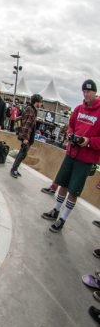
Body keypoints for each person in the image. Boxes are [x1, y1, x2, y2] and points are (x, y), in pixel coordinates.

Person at [41, 80, 100, 233]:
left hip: (85, 159)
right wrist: (70, 135)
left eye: (89, 92)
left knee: (73, 191)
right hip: (71, 153)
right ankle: (55, 210)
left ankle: (63, 219)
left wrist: (88, 141)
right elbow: (71, 125)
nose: (86, 94)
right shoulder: (79, 109)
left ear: (95, 92)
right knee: (62, 184)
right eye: (84, 92)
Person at [10, 94, 42, 178]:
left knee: (22, 153)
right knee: (22, 153)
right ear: (36, 102)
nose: (41, 104)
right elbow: (26, 125)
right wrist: (25, 138)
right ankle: (13, 170)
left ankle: (15, 169)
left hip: (29, 136)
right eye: (40, 102)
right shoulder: (30, 109)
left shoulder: (33, 109)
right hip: (26, 136)